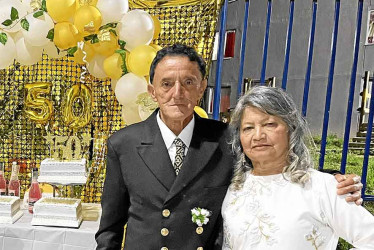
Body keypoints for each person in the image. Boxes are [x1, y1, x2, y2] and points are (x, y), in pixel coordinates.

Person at [96, 44, 363, 250]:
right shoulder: (124, 143)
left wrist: (331, 181)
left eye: (188, 82)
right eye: (166, 84)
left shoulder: (226, 139)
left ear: (201, 88)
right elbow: (111, 226)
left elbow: (270, 166)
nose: (177, 93)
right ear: (152, 91)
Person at [222, 86, 374, 249]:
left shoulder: (323, 188)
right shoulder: (234, 188)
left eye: (270, 124)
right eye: (248, 128)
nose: (258, 136)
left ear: (291, 128)